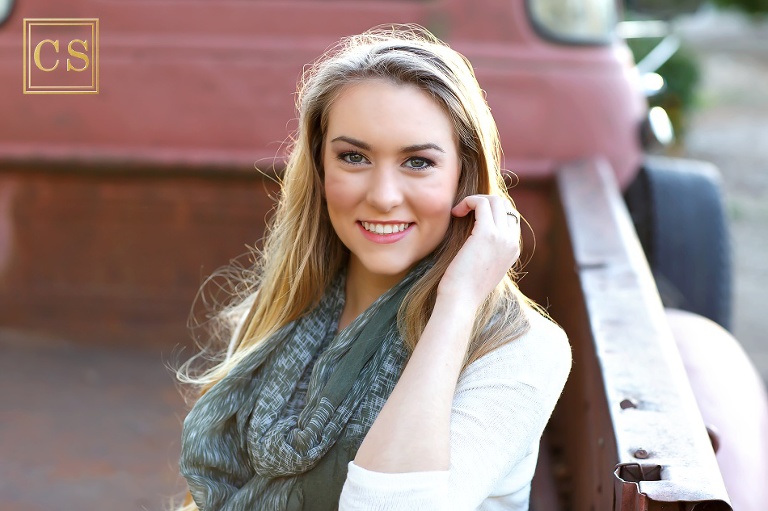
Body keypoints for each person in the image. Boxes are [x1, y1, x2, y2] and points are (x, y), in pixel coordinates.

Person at [176, 24, 571, 511]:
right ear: (321, 169)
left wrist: (457, 304)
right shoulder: (287, 307)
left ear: (463, 176)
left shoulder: (520, 349)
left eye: (418, 162)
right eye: (354, 157)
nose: (383, 197)